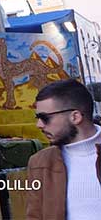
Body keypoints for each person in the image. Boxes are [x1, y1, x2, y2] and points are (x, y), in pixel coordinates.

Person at [26, 79, 101, 219]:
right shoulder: (40, 162)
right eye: (37, 118)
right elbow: (35, 216)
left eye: (45, 118)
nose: (39, 125)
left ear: (75, 117)